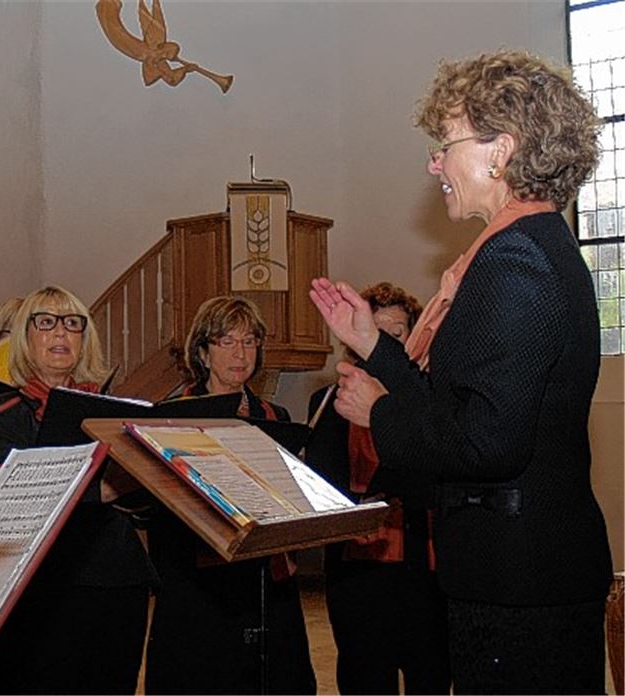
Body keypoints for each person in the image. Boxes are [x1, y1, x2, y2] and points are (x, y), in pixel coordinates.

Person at [310, 50, 612, 693]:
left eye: (443, 144)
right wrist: (377, 347)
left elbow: (488, 443)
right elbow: (470, 402)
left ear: (501, 150)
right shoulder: (533, 246)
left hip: (518, 577)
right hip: (524, 569)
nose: (433, 163)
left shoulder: (513, 262)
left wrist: (378, 411)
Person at [0, 285, 156, 694]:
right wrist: (101, 492)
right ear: (25, 338)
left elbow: (140, 502)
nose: (60, 333)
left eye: (72, 324)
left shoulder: (111, 408)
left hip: (116, 579)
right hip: (36, 585)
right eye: (46, 322)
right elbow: (14, 497)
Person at [144, 294, 315, 695]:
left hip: (264, 573)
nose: (240, 353)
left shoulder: (275, 417)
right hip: (198, 580)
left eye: (249, 341)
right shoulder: (172, 414)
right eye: (227, 341)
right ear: (203, 352)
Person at [304, 282, 450, 695]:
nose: (384, 342)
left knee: (431, 673)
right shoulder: (327, 400)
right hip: (357, 567)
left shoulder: (430, 402)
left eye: (397, 333)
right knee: (364, 674)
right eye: (376, 331)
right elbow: (318, 480)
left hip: (423, 564)